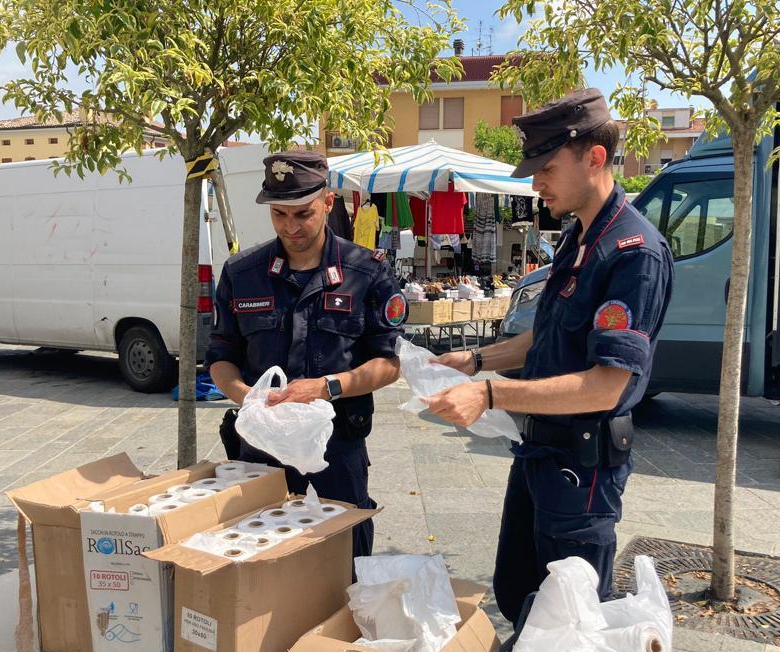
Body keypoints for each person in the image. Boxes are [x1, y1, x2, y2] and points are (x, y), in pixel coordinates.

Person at [426, 89, 674, 622]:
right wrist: (476, 361)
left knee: (568, 624)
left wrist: (489, 394)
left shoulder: (633, 254)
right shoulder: (578, 238)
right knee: (518, 592)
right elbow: (545, 335)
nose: (536, 183)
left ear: (595, 157)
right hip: (539, 453)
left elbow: (605, 386)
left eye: (547, 168)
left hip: (582, 470)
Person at [207, 151, 408, 558]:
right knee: (260, 555)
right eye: (279, 214)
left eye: (303, 213)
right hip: (262, 447)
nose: (291, 227)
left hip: (338, 445)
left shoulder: (366, 272)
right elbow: (221, 356)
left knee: (346, 554)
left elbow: (390, 363)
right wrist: (250, 397)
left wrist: (326, 387)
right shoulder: (242, 273)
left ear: (328, 202)